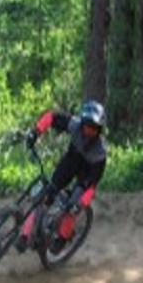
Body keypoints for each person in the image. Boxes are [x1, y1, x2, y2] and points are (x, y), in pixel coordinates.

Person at [20, 100, 107, 252]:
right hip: (71, 162)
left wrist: (80, 203)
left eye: (94, 128)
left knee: (72, 207)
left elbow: (92, 184)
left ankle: (63, 238)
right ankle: (25, 236)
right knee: (46, 195)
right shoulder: (74, 125)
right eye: (87, 125)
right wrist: (36, 132)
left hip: (86, 175)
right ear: (82, 122)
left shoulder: (100, 153)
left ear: (99, 130)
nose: (89, 130)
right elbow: (52, 117)